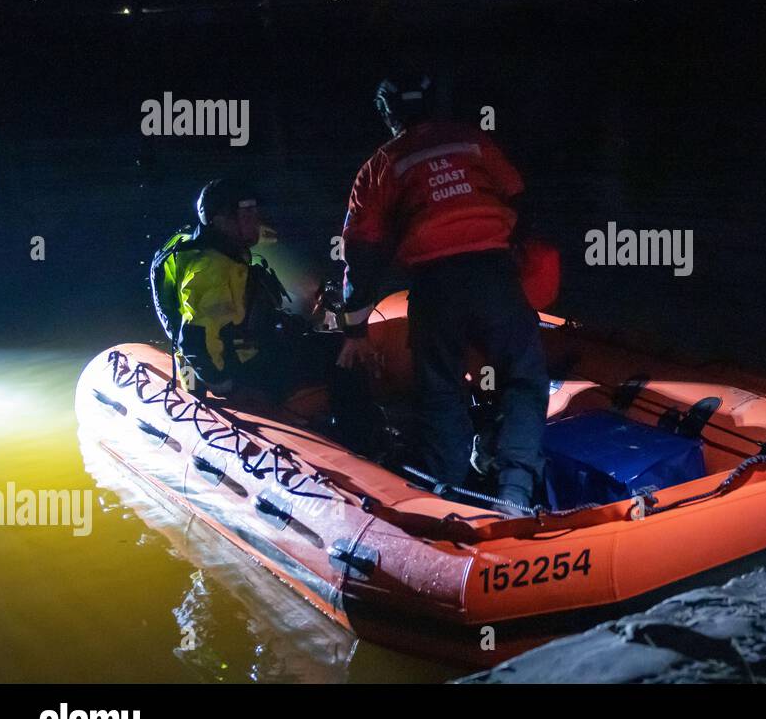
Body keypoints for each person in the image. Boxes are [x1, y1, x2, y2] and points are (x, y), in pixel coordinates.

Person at [336, 75, 550, 515]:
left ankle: (451, 497)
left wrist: (354, 325)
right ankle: (514, 494)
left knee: (439, 389)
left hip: (436, 286)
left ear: (388, 115)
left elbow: (362, 253)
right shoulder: (474, 143)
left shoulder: (381, 166)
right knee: (524, 381)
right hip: (496, 276)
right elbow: (522, 203)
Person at [150, 178, 377, 447]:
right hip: (243, 371)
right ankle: (363, 443)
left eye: (255, 210)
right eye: (247, 212)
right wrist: (230, 389)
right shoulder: (211, 270)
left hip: (243, 357)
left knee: (308, 336)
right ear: (221, 219)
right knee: (343, 355)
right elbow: (195, 339)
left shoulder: (212, 249)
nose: (255, 217)